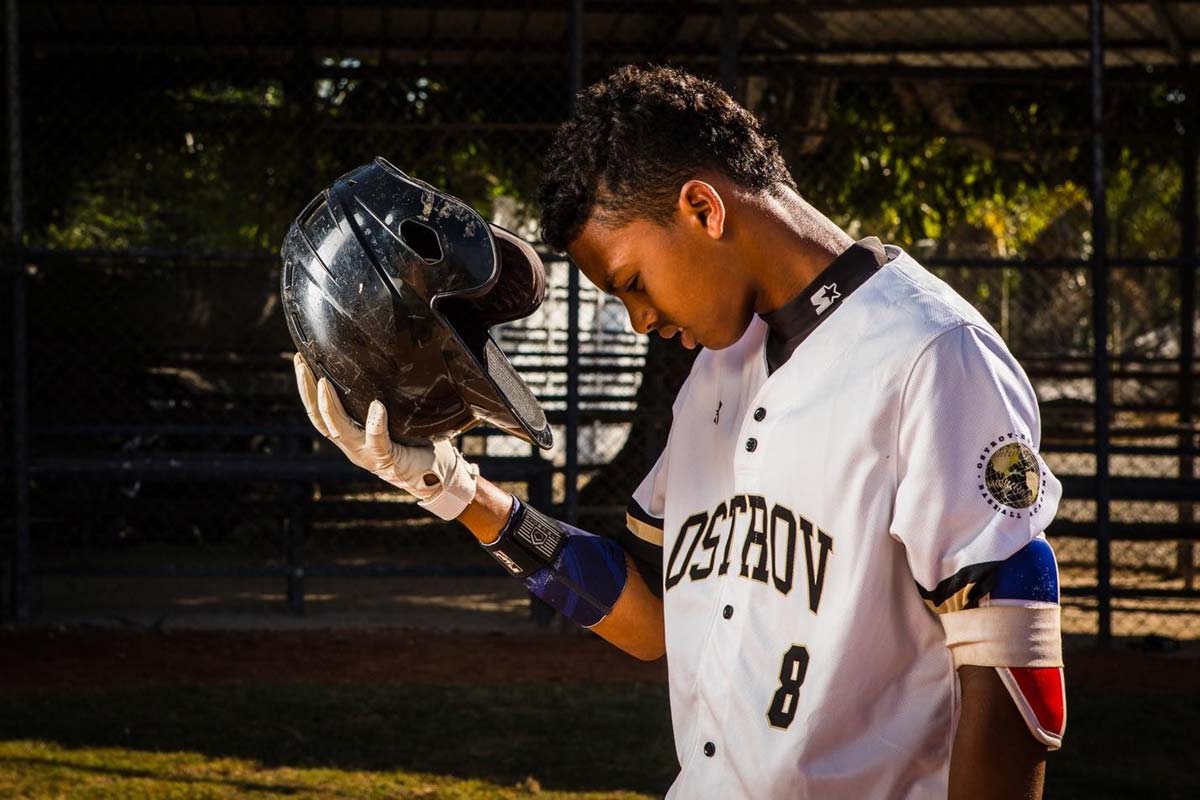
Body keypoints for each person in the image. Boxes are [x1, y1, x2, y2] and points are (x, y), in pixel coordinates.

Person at [293, 64, 1066, 799]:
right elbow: (652, 624)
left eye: (632, 282)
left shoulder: (933, 355)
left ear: (703, 208)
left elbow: (1013, 667)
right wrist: (456, 491)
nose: (640, 319)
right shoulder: (716, 374)